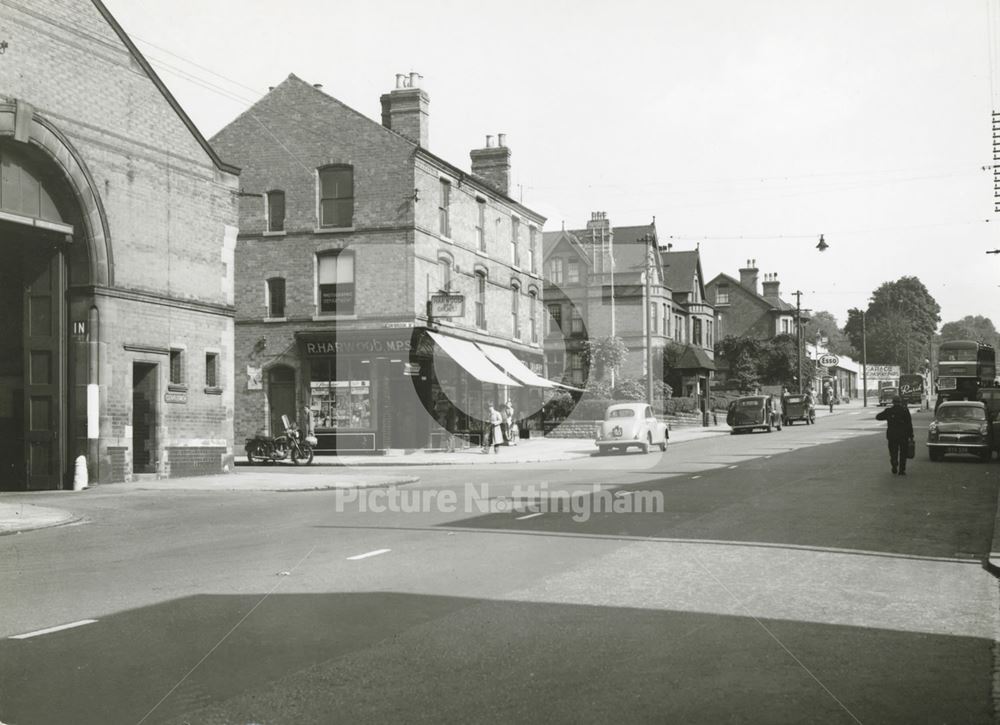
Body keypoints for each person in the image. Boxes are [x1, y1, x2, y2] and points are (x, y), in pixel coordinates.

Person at [875, 395, 914, 475]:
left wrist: (888, 415)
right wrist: (911, 436)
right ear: (900, 402)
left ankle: (894, 462)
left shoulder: (889, 411)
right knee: (903, 453)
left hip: (892, 435)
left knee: (893, 451)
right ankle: (902, 470)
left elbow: (878, 417)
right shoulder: (905, 410)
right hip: (903, 435)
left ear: (893, 402)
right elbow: (909, 424)